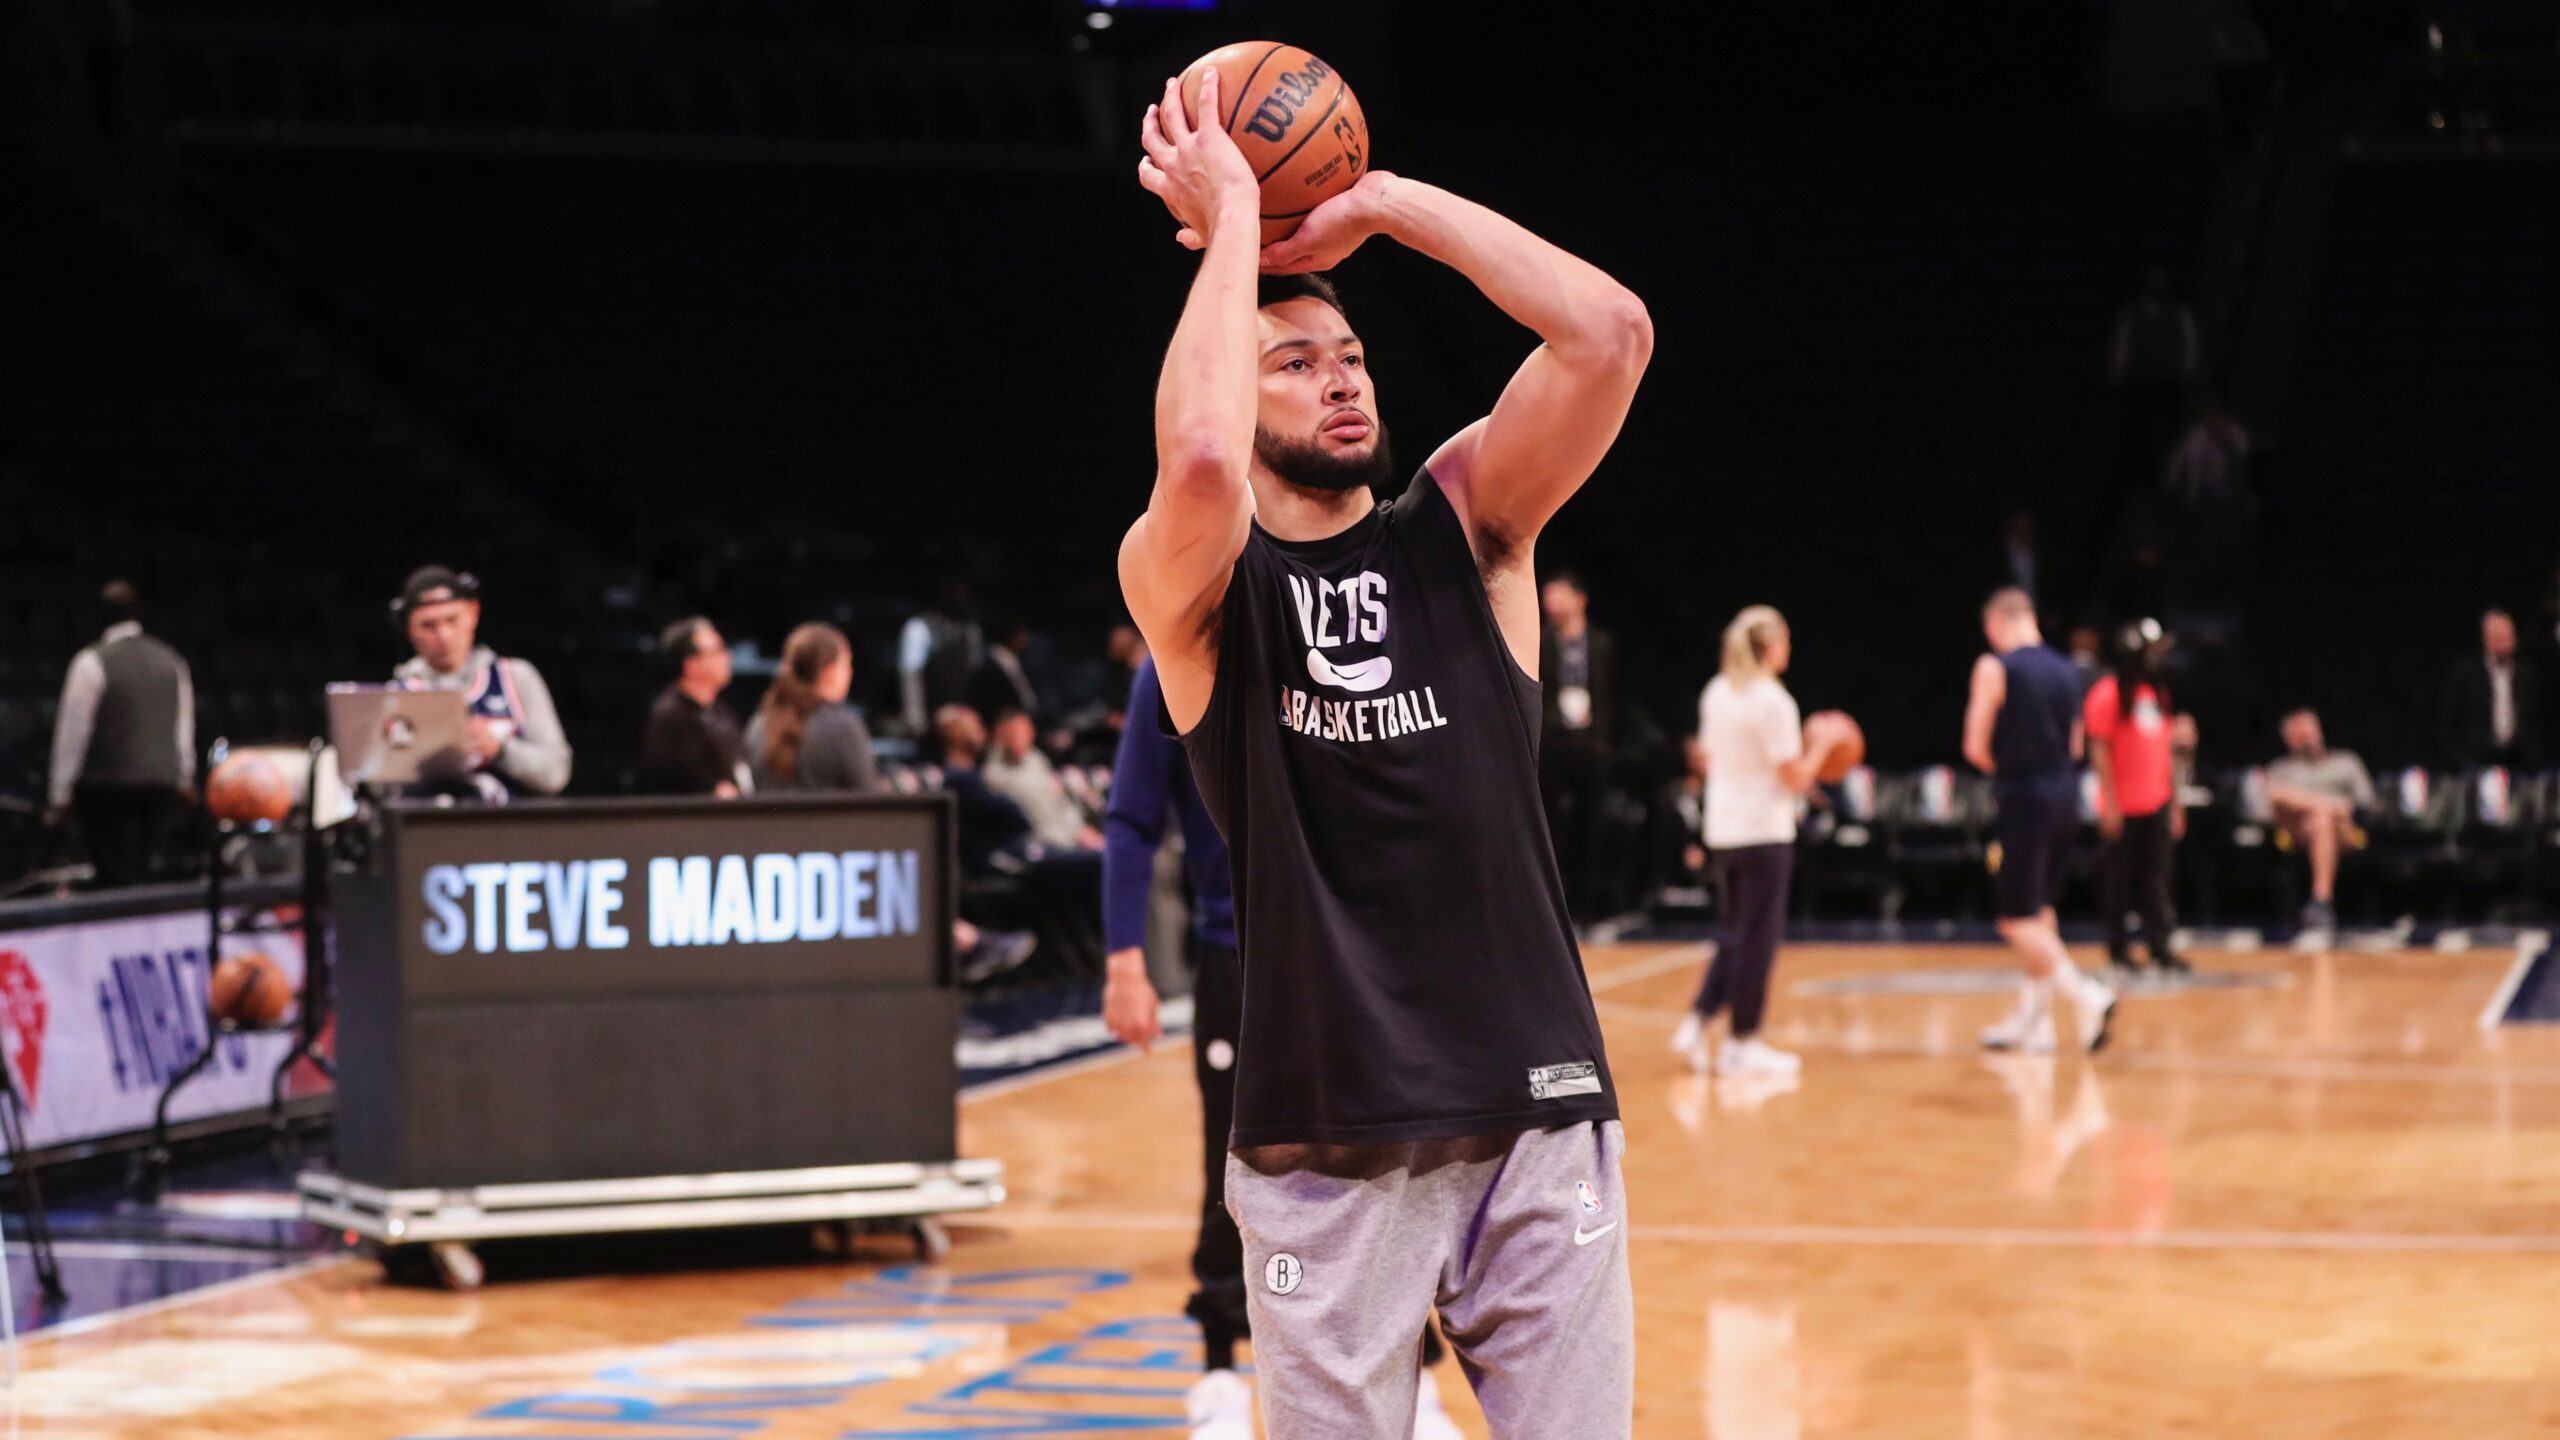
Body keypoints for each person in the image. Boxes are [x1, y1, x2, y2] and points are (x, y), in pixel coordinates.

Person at [1124, 69, 1651, 1436]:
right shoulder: (1202, 592)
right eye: (1294, 364)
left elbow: (1609, 333)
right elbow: (1199, 459)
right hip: (1327, 1135)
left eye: (1350, 354)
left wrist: (1384, 204)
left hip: (1535, 1102)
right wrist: (1236, 225)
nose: (1341, 376)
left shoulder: (1466, 526)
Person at [1100, 658, 1463, 1439]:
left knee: (1399, 1161)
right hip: (1237, 953)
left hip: (1361, 949)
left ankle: (1420, 1372)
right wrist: (1124, 960)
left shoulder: (1339, 644)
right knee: (1230, 1165)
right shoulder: (1174, 655)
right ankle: (1219, 1371)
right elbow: (1131, 817)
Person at [1672, 607, 1854, 1078]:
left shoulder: (1717, 691)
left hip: (1723, 829)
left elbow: (1706, 760)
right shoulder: (1774, 701)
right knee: (1758, 940)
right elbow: (1794, 778)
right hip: (1763, 832)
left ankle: (1698, 1019)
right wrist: (1824, 744)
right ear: (1771, 646)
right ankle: (1742, 1042)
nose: (1789, 646)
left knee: (1735, 932)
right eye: (1786, 638)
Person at [1963, 588, 2118, 1054]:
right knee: (2040, 911)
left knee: (2014, 918)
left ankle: (2087, 995)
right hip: (2066, 793)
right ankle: (2035, 1023)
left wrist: (2009, 768)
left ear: (1996, 623)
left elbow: (1975, 746)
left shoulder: (1995, 667)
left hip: (2023, 794)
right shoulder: (2071, 671)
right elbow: (2076, 745)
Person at [47, 580, 194, 886]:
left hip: (109, 791)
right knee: (141, 872)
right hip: (160, 788)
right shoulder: (173, 661)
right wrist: (184, 781)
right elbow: (183, 731)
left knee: (118, 881)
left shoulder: (90, 661)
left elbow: (73, 734)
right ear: (139, 614)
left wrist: (60, 795)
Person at [390, 567, 570, 800]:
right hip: (427, 819)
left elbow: (556, 774)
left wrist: (500, 749)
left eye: (452, 620)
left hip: (506, 819)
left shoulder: (514, 677)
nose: (444, 635)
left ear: (473, 613)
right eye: (428, 625)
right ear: (409, 630)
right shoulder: (396, 695)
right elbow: (377, 786)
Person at [2084, 618, 2190, 977]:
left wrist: (2174, 802)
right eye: (2153, 650)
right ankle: (2119, 949)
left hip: (2156, 801)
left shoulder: (2157, 694)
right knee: (2120, 880)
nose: (2159, 657)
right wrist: (2110, 804)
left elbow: (2164, 751)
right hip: (2122, 805)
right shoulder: (2107, 693)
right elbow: (2099, 750)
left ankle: (2160, 946)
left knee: (2157, 879)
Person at [1538, 569, 1617, 924]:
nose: (1551, 603)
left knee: (1590, 825)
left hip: (1590, 746)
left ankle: (1587, 908)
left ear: (1579, 599)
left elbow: (1608, 696)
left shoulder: (1600, 644)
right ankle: (1554, 906)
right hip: (1554, 745)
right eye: (1548, 596)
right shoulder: (1541, 640)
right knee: (1551, 826)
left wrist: (1600, 737)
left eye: (1559, 595)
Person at [2266, 707, 2375, 933]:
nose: (2307, 739)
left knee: (2322, 820)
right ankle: (2321, 902)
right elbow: (2272, 800)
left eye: (2310, 732)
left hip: (2345, 832)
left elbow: (2366, 805)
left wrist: (2319, 808)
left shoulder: (2346, 762)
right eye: (2300, 735)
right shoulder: (2282, 769)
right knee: (2317, 817)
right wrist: (2330, 806)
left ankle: (2320, 902)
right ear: (2288, 740)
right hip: (2297, 833)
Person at [746, 623, 881, 794]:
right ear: (829, 672)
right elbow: (868, 799)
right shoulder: (845, 728)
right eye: (847, 664)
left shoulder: (758, 725)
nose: (850, 672)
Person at [640, 617, 749, 797]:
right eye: (718, 650)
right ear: (691, 665)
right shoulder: (671, 716)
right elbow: (689, 783)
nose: (727, 656)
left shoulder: (720, 711)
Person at [2440, 609, 2545, 774]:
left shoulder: (2527, 675)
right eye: (2498, 638)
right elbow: (2448, 724)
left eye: (2508, 637)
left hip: (2519, 761)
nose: (2505, 643)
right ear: (2486, 640)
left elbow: (2538, 720)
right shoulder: (2466, 674)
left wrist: (2534, 758)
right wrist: (2463, 762)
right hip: (2478, 761)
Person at [982, 708, 1100, 851]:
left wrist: (1079, 829)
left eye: (1026, 731)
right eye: (1015, 732)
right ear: (1001, 734)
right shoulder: (994, 775)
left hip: (1069, 836)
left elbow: (1060, 801)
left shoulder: (1035, 758)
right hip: (1040, 846)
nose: (1023, 737)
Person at [967, 615, 1042, 728]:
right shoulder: (990, 667)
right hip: (1004, 726)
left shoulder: (1015, 662)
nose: (1026, 639)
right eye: (1023, 634)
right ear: (1012, 636)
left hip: (1026, 723)